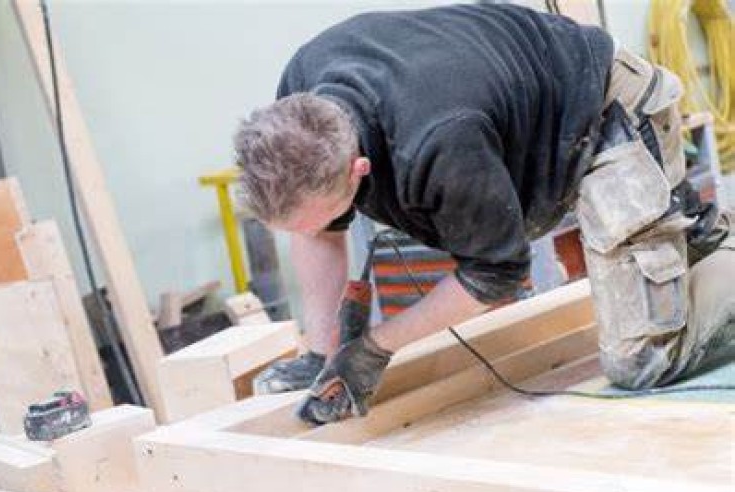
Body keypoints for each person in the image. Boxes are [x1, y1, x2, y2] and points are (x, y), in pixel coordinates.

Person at [234, 4, 734, 425]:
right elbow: (319, 233)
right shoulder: (301, 95)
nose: (310, 231)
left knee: (642, 362)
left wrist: (374, 347)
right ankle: (694, 234)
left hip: (606, 108)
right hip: (525, 107)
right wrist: (322, 352)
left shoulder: (438, 141)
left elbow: (496, 273)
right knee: (673, 263)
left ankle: (700, 237)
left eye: (317, 218)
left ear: (357, 170)